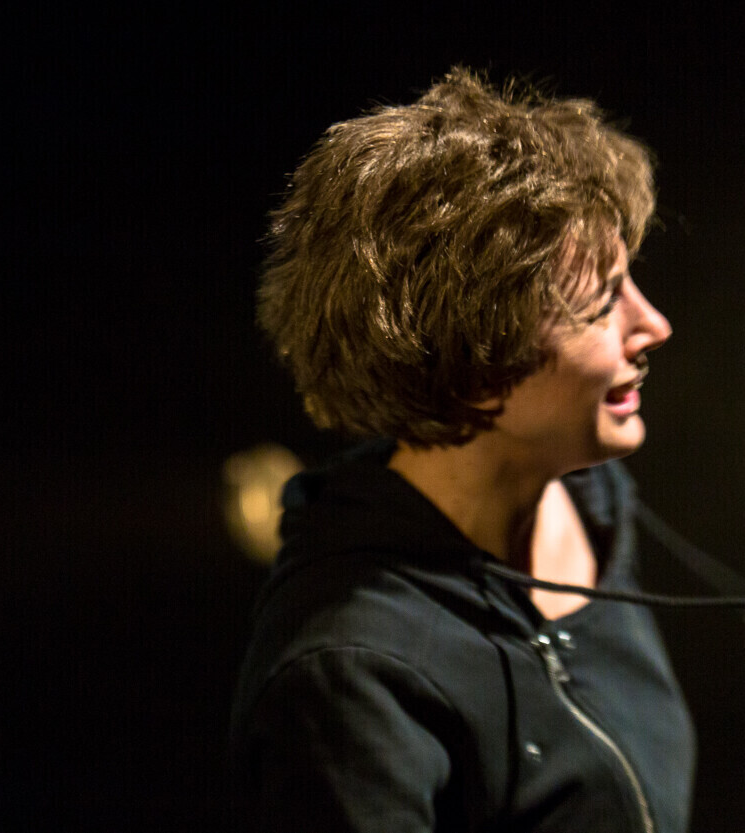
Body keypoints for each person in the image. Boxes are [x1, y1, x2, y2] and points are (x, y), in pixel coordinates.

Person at [232, 66, 691, 833]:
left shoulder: (593, 499)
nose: (654, 325)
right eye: (601, 303)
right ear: (477, 369)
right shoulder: (351, 674)